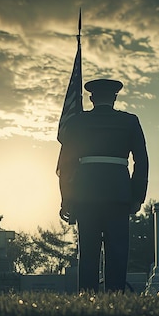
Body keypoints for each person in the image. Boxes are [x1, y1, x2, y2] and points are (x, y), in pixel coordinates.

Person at [58, 79, 149, 292]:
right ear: (115, 97)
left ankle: (87, 295)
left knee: (88, 250)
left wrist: (67, 198)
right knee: (117, 249)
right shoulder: (130, 121)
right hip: (118, 193)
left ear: (91, 98)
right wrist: (137, 196)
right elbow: (142, 161)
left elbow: (66, 164)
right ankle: (115, 294)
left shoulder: (77, 122)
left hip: (85, 193)